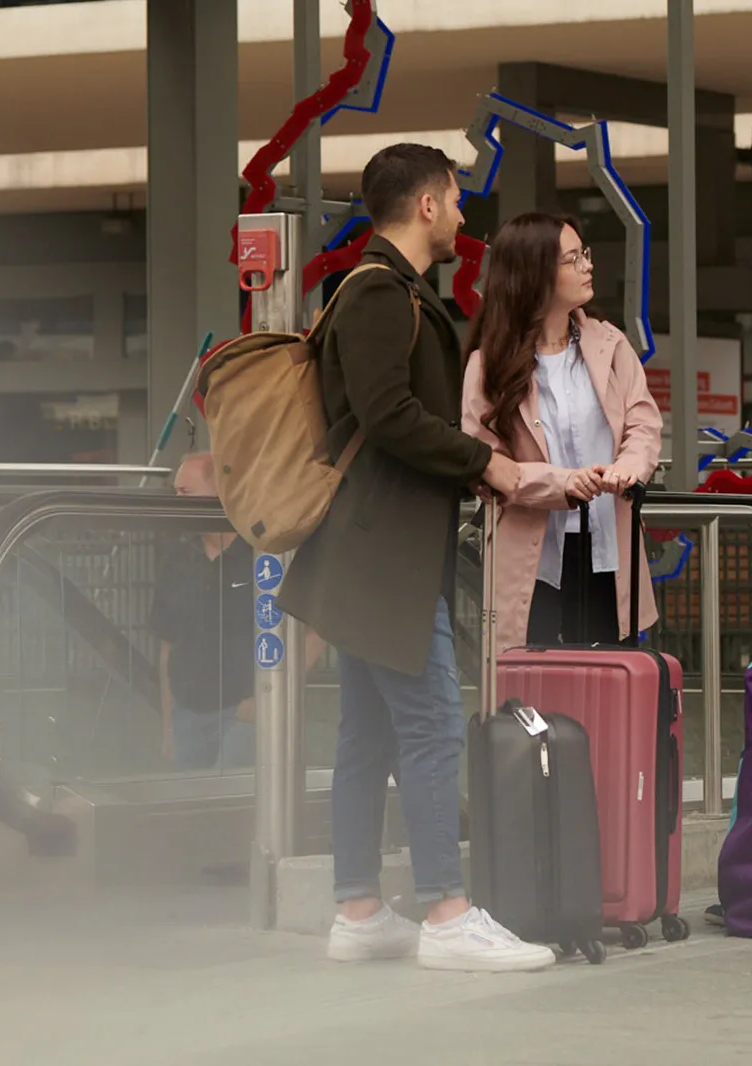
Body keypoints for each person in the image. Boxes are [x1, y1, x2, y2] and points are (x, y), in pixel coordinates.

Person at [275, 144, 552, 973]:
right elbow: (387, 412)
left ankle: (358, 909)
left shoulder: (382, 291)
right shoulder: (377, 293)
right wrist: (484, 462)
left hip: (372, 550)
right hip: (382, 552)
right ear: (427, 205)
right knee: (430, 724)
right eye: (457, 200)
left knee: (366, 735)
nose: (465, 217)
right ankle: (446, 911)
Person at [461, 212, 662, 652]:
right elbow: (484, 462)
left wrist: (629, 468)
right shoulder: (488, 366)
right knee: (535, 693)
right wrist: (563, 484)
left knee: (609, 689)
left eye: (584, 254)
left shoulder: (610, 343)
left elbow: (643, 422)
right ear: (534, 274)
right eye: (573, 259)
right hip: (531, 559)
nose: (588, 266)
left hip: (608, 546)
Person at [149, 452, 256, 772]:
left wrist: (267, 700)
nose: (178, 502)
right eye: (176, 492)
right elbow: (167, 647)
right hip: (187, 716)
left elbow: (310, 633)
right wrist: (168, 725)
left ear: (220, 493)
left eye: (187, 493)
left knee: (231, 808)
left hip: (242, 715)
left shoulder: (259, 556)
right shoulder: (178, 558)